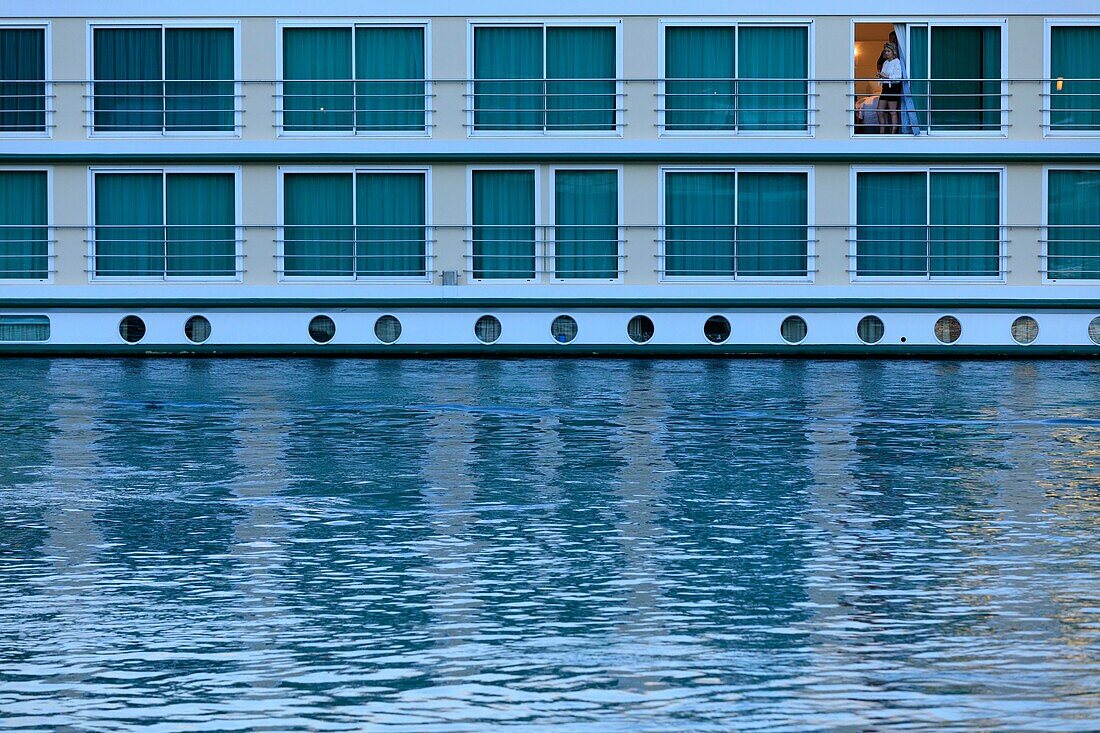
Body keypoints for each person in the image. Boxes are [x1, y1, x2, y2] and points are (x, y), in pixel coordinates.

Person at [877, 43, 903, 134]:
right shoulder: (885, 62)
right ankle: (882, 132)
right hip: (885, 88)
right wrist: (880, 76)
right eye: (885, 51)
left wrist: (886, 76)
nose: (887, 53)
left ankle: (893, 132)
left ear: (893, 52)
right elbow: (883, 75)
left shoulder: (897, 62)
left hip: (893, 88)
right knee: (879, 111)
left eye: (888, 51)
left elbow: (898, 77)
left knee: (892, 111)